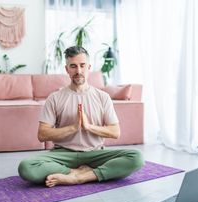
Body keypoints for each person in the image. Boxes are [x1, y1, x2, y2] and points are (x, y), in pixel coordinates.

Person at [18, 46, 144, 187]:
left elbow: (115, 132)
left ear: (89, 67)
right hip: (63, 155)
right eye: (73, 66)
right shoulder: (55, 98)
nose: (78, 71)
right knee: (26, 167)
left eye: (82, 65)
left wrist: (88, 127)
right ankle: (75, 171)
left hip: (95, 154)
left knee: (136, 158)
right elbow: (42, 134)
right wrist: (73, 127)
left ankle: (80, 177)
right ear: (67, 69)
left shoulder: (103, 97)